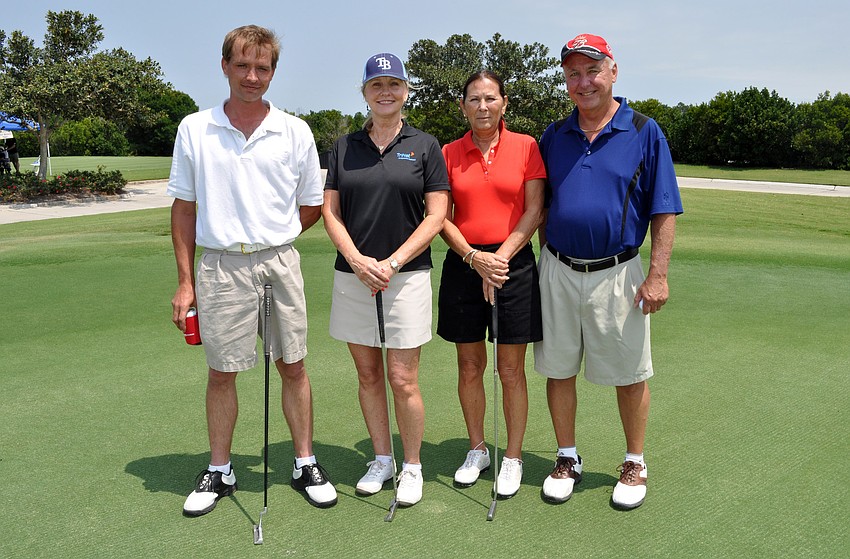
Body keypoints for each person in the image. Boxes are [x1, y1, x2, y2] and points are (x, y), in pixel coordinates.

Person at [168, 24, 337, 517]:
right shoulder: (195, 129)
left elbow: (311, 205)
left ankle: (305, 461)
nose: (252, 76)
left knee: (294, 365)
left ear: (272, 72)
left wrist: (273, 237)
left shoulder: (295, 130)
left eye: (262, 68)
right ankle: (219, 468)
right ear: (225, 65)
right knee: (222, 373)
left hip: (279, 262)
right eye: (242, 65)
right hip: (220, 267)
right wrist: (185, 282)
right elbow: (184, 208)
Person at [534, 34, 683, 510]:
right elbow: (541, 207)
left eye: (592, 71)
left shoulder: (643, 129)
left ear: (613, 71)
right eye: (573, 73)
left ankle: (634, 461)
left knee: (629, 373)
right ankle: (567, 457)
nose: (584, 82)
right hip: (557, 267)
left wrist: (657, 275)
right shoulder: (554, 136)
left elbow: (664, 210)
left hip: (619, 272)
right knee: (558, 370)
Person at [322, 52, 449, 507]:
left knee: (402, 378)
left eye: (394, 84)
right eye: (376, 85)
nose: (386, 92)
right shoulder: (343, 147)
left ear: (406, 90)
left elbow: (437, 216)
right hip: (354, 275)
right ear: (364, 93)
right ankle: (382, 458)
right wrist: (357, 260)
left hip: (407, 275)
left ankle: (411, 464)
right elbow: (330, 212)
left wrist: (391, 263)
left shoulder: (426, 145)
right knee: (367, 374)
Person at [438, 71, 546, 498]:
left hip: (513, 265)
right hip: (464, 261)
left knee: (509, 369)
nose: (482, 107)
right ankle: (478, 448)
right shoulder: (448, 152)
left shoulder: (527, 147)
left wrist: (499, 259)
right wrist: (475, 258)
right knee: (469, 366)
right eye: (474, 100)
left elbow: (535, 208)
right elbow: (440, 216)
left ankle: (513, 456)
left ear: (504, 103)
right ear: (462, 106)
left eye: (490, 98)